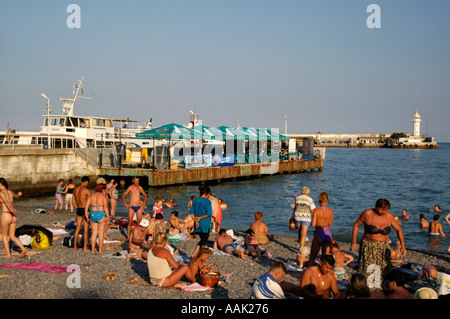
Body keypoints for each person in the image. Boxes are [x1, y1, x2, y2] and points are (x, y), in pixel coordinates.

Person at [350, 198, 406, 282]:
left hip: (384, 246)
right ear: (376, 207)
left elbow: (398, 230)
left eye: (385, 210)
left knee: (384, 268)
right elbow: (356, 225)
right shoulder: (367, 213)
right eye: (381, 209)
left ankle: (381, 288)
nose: (383, 212)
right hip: (369, 245)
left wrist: (403, 246)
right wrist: (354, 242)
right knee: (368, 268)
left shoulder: (389, 216)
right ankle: (367, 288)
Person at [0, 178, 27, 258]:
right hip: (13, 216)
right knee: (12, 236)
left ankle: (8, 254)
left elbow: (5, 201)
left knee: (4, 236)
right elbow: (16, 196)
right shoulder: (10, 192)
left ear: (1, 184)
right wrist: (19, 194)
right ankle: (23, 249)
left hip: (6, 214)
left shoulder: (1, 193)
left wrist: (10, 209)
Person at [306, 192, 333, 267]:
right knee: (325, 258)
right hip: (327, 233)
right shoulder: (330, 211)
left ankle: (309, 271)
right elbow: (330, 223)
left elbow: (313, 224)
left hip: (319, 233)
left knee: (312, 257)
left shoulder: (316, 211)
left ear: (319, 201)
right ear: (327, 201)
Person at [85, 183, 110, 253]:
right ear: (102, 189)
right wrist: (108, 216)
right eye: (105, 189)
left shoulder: (92, 196)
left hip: (92, 213)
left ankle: (92, 250)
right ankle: (100, 250)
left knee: (94, 233)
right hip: (101, 213)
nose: (105, 190)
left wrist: (86, 214)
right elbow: (105, 207)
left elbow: (87, 205)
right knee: (100, 233)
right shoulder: (103, 197)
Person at [189, 186, 213, 257]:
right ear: (207, 193)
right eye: (209, 194)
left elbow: (191, 213)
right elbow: (208, 213)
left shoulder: (196, 200)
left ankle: (194, 255)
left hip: (197, 225)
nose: (209, 196)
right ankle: (200, 257)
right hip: (205, 225)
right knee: (204, 241)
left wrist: (195, 220)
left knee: (203, 240)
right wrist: (199, 218)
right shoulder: (207, 201)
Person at [72, 176, 91, 251]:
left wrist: (77, 208)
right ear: (86, 182)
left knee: (78, 228)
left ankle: (75, 247)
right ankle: (85, 248)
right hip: (85, 209)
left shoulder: (75, 190)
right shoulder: (86, 190)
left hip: (79, 209)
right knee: (86, 230)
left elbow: (73, 202)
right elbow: (91, 201)